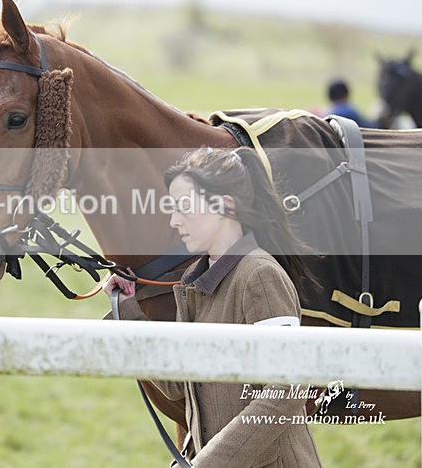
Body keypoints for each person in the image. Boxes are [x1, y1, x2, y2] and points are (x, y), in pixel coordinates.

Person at [103, 147, 321, 467]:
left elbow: (285, 393)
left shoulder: (260, 275)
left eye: (184, 208)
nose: (174, 221)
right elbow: (178, 384)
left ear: (225, 205)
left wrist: (207, 463)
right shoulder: (196, 284)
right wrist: (128, 308)